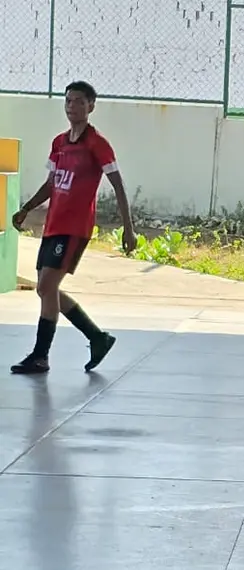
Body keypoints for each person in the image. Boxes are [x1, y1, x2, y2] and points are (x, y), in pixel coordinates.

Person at [11, 81, 136, 375]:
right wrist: (27, 208)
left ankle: (41, 356)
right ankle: (97, 337)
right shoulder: (59, 142)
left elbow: (118, 186)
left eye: (79, 101)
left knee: (46, 286)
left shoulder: (98, 144)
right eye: (68, 101)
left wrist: (128, 229)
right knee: (46, 291)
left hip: (75, 227)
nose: (72, 107)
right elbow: (52, 183)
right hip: (54, 224)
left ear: (91, 106)